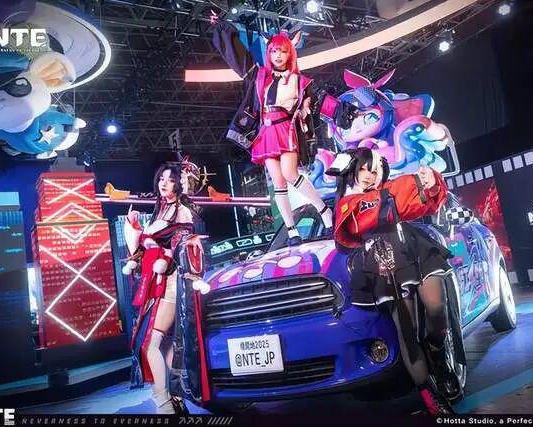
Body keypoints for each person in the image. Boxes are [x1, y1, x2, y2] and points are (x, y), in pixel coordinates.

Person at [329, 147, 460, 415]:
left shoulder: (392, 188)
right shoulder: (347, 203)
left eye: (374, 169)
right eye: (363, 169)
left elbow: (425, 202)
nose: (369, 175)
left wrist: (431, 182)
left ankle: (437, 353)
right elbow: (359, 223)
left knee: (437, 308)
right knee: (407, 332)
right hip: (383, 263)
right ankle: (431, 397)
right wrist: (395, 194)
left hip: (415, 250)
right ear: (352, 171)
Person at [212, 19, 357, 246]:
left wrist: (345, 111)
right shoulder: (260, 76)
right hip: (265, 133)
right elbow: (240, 59)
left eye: (283, 51)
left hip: (286, 130)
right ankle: (291, 231)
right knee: (278, 182)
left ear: (290, 53)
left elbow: (321, 101)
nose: (278, 56)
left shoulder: (300, 81)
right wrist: (221, 28)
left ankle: (324, 211)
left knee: (290, 174)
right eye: (274, 51)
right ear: (269, 53)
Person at [122, 162, 208, 414]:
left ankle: (164, 405)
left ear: (180, 184)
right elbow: (148, 248)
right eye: (161, 178)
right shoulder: (159, 211)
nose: (164, 183)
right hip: (154, 283)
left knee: (150, 342)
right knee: (167, 344)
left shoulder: (182, 211)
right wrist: (135, 231)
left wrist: (166, 257)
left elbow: (186, 243)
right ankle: (178, 400)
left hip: (172, 283)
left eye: (170, 179)